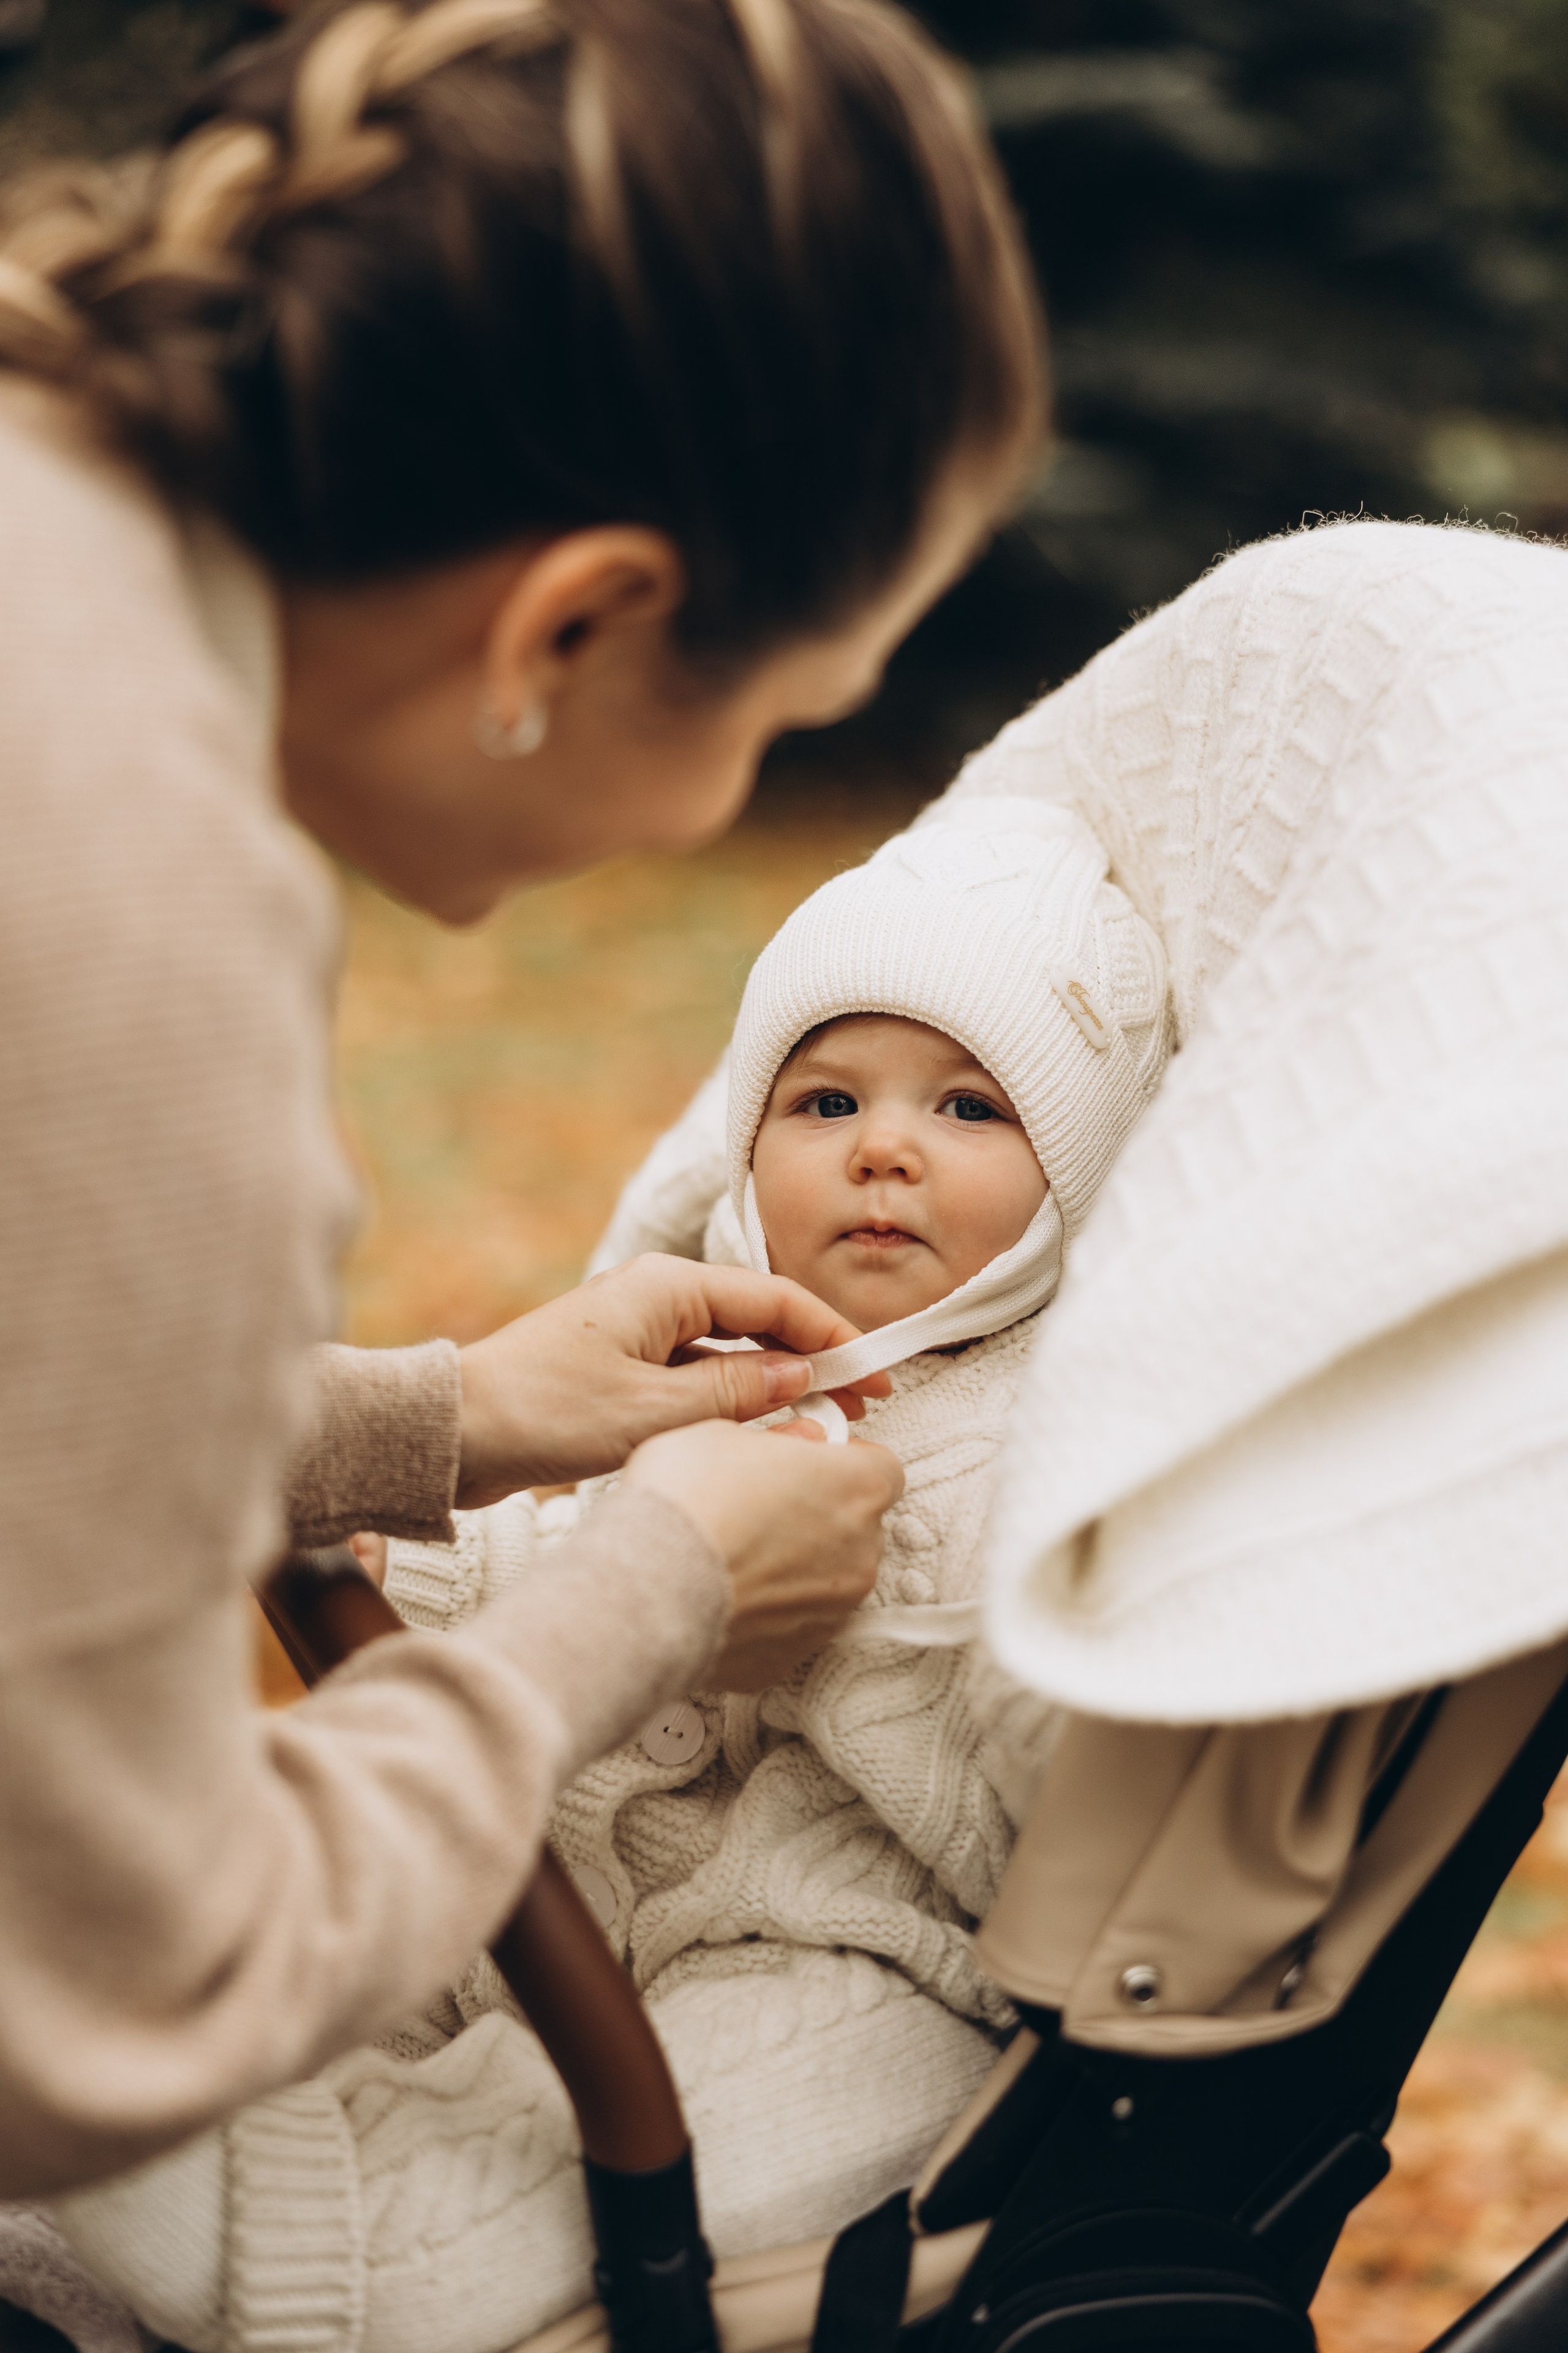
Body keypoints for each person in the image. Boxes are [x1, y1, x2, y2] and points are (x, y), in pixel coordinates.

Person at [0, 0, 1046, 2218]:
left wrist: (442, 1419)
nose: (739, 798)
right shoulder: (129, 909)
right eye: (786, 711)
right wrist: (649, 1589)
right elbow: (96, 2023)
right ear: (578, 622)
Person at [60, 800, 1170, 2353]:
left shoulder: (1054, 1437)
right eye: (825, 1097)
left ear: (1083, 1171)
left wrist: (924, 1601)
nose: (884, 1146)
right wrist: (418, 1560)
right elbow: (564, 1548)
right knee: (327, 2003)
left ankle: (279, 2226)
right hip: (568, 1892)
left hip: (853, 1964)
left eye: (973, 1110)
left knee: (470, 2234)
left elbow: (1063, 1743)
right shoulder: (706, 1359)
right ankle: (100, 2209)